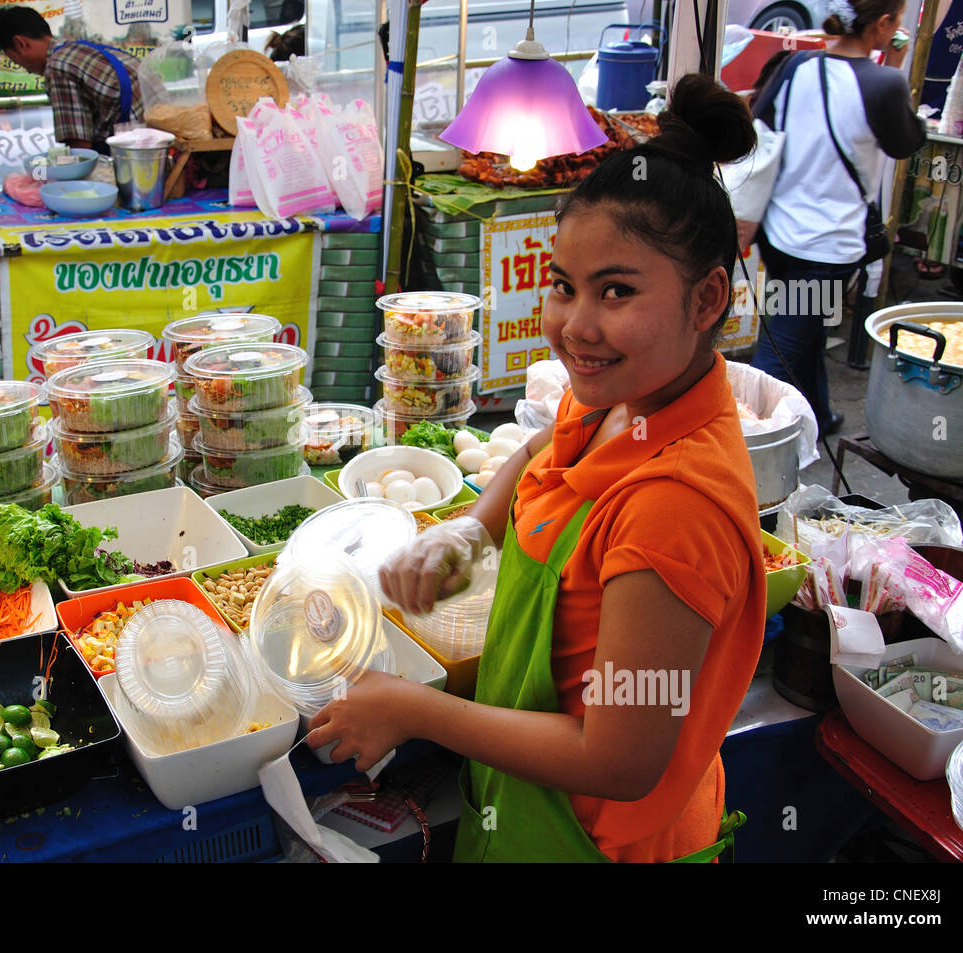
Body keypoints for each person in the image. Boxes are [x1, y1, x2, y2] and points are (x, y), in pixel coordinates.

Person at [305, 74, 768, 863]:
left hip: (602, 841)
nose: (575, 326)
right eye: (562, 286)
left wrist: (417, 710)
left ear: (707, 298)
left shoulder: (672, 510)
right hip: (527, 803)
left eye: (616, 291)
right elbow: (542, 450)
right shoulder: (624, 395)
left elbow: (619, 757)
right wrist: (471, 531)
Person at [749, 0, 926, 434]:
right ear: (883, 24)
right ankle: (743, 445)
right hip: (825, 245)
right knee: (778, 353)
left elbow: (759, 121)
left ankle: (820, 416)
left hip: (779, 231)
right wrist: (897, 69)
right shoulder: (884, 83)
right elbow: (906, 141)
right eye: (897, 21)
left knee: (803, 327)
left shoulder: (795, 66)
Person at [0, 6, 144, 155]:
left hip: (134, 153)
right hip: (155, 140)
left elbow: (80, 148)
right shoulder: (82, 49)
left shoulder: (58, 67)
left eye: (15, 60)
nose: (27, 70)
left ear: (20, 43)